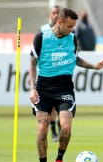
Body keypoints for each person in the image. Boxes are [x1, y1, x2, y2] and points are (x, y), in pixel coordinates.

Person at [29, 8, 103, 162]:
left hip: (64, 88)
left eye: (74, 26)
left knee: (66, 127)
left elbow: (75, 59)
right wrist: (32, 88)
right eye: (69, 26)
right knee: (42, 129)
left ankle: (59, 160)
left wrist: (94, 66)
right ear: (59, 22)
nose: (72, 29)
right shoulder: (42, 37)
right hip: (43, 87)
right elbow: (32, 64)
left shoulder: (73, 38)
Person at [40, 5, 61, 142]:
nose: (56, 15)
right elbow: (37, 53)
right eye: (53, 13)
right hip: (47, 74)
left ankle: (59, 127)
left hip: (61, 74)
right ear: (50, 14)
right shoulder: (43, 30)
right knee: (51, 107)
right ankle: (53, 132)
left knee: (61, 107)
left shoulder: (67, 31)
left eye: (58, 13)